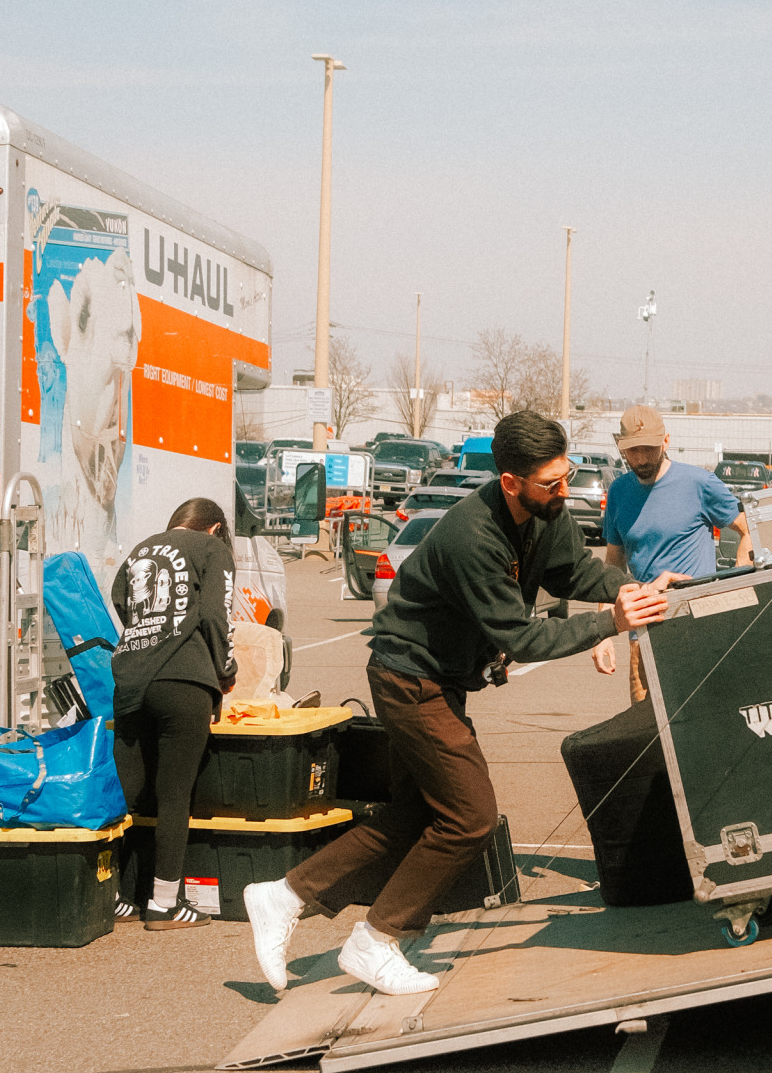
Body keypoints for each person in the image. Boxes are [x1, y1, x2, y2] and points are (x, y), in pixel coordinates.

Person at [244, 410, 669, 999]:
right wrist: (609, 624)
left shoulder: (546, 513)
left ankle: (283, 895)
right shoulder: (474, 535)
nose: (564, 490)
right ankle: (376, 939)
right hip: (409, 678)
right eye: (551, 483)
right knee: (469, 818)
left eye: (565, 475)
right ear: (510, 480)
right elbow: (522, 637)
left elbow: (574, 572)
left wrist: (627, 588)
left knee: (413, 816)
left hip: (437, 680)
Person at [110, 498, 238, 930]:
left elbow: (120, 600)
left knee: (126, 794)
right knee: (173, 794)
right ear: (215, 527)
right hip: (183, 680)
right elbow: (215, 616)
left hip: (130, 677)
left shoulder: (143, 547)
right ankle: (164, 903)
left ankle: (113, 895)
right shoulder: (212, 549)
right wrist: (225, 670)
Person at [592, 404, 750, 701]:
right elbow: (612, 565)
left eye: (649, 448)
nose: (641, 458)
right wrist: (601, 633)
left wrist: (737, 580)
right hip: (646, 634)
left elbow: (747, 529)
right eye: (633, 450)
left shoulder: (699, 483)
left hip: (699, 628)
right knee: (647, 729)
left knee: (703, 720)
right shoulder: (619, 492)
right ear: (620, 447)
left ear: (666, 441)